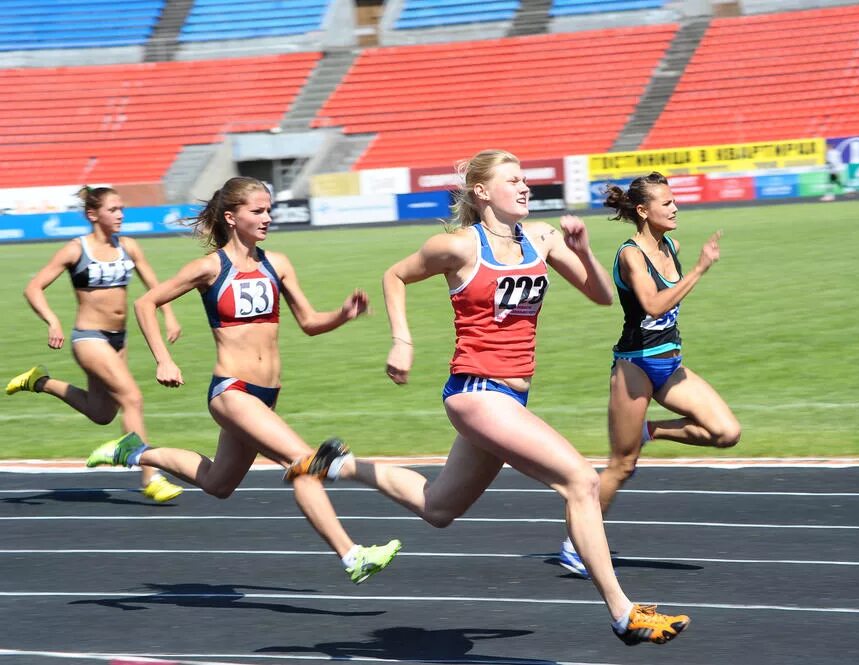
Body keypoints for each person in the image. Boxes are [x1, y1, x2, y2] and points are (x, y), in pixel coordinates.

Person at [283, 150, 691, 645]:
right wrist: (402, 341)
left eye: (526, 180)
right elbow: (395, 275)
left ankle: (339, 464)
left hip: (509, 400)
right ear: (481, 192)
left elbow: (602, 296)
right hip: (474, 392)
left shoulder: (541, 238)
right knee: (581, 481)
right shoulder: (456, 247)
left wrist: (581, 250)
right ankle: (623, 612)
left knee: (438, 508)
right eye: (513, 180)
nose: (525, 187)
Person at [84, 176, 401, 584]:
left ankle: (135, 451)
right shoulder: (210, 267)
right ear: (232, 218)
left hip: (265, 395)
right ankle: (351, 554)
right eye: (258, 211)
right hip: (231, 391)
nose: (267, 217)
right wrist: (164, 359)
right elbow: (147, 302)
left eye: (269, 210)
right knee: (302, 463)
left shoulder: (277, 263)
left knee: (218, 484)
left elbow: (308, 322)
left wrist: (342, 314)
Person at [557, 172, 740, 579]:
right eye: (667, 203)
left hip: (670, 364)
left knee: (726, 433)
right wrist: (698, 270)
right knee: (622, 466)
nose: (675, 208)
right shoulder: (631, 255)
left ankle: (651, 430)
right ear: (643, 211)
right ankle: (575, 545)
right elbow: (654, 306)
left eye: (675, 202)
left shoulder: (669, 245)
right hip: (634, 367)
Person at [6, 186, 185, 503]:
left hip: (119, 339)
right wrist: (53, 320)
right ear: (93, 215)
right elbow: (34, 288)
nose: (120, 215)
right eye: (113, 209)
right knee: (132, 398)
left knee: (102, 413)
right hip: (89, 338)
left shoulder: (128, 246)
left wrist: (169, 314)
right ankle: (150, 476)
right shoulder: (76, 250)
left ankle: (40, 382)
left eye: (121, 209)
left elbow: (155, 287)